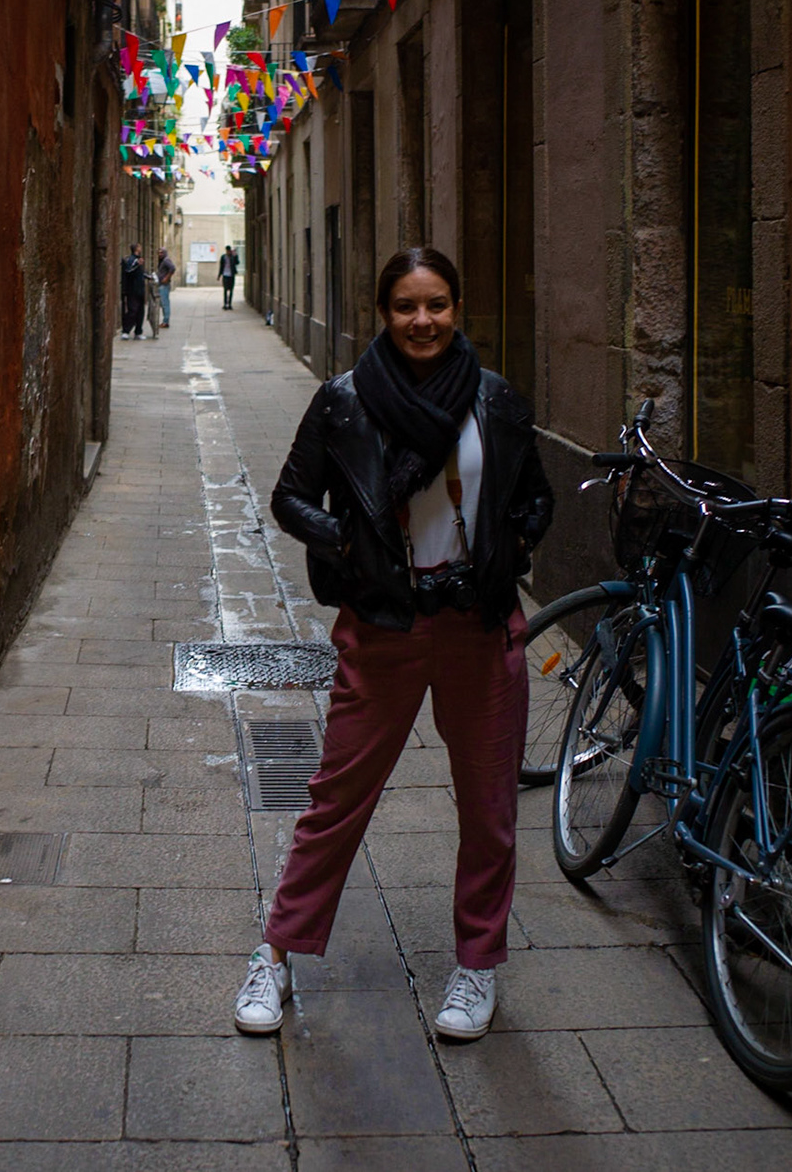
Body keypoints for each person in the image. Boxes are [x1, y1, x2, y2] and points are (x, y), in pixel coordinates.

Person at [233, 246, 553, 1042]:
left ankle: (477, 965)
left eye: (437, 304)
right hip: (385, 625)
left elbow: (536, 496)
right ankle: (276, 953)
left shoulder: (495, 400)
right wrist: (350, 543)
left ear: (457, 308)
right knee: (336, 798)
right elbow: (290, 497)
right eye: (406, 306)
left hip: (478, 624)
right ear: (383, 313)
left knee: (488, 807)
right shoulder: (345, 401)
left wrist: (513, 543)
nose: (422, 320)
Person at [119, 244, 146, 339]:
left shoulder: (138, 259)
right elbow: (129, 270)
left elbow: (140, 273)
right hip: (133, 290)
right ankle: (126, 331)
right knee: (133, 310)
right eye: (139, 247)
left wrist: (149, 276)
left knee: (140, 312)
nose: (141, 248)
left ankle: (138, 332)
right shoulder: (132, 260)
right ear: (136, 249)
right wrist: (137, 264)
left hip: (140, 290)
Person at [156, 249, 176, 328]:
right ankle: (165, 321)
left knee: (165, 304)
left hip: (164, 285)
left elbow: (172, 268)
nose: (160, 254)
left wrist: (166, 278)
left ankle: (166, 322)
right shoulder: (162, 261)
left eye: (161, 253)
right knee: (163, 303)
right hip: (162, 285)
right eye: (159, 253)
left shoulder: (166, 260)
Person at [218, 245, 238, 309]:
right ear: (226, 251)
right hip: (225, 275)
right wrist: (219, 275)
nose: (228, 252)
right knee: (225, 290)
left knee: (231, 290)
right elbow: (221, 267)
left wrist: (236, 256)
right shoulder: (223, 257)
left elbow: (237, 263)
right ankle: (225, 304)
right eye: (227, 251)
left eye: (229, 251)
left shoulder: (233, 257)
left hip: (231, 275)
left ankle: (230, 304)